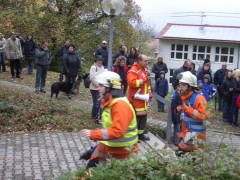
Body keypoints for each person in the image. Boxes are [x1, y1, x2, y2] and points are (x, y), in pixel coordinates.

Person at [80, 71, 138, 169]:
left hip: (122, 152)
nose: (98, 89)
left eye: (101, 86)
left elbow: (117, 131)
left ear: (110, 88)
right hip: (110, 148)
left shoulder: (120, 105)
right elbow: (109, 129)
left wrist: (94, 134)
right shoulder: (112, 102)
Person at [177, 71, 209, 153]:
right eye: (180, 84)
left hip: (196, 139)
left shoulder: (199, 98)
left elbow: (205, 116)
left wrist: (189, 110)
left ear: (190, 86)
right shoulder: (184, 97)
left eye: (183, 84)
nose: (180, 86)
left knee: (192, 162)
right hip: (186, 135)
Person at [127, 54, 152, 141]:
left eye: (147, 61)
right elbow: (132, 83)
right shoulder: (133, 71)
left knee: (143, 117)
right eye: (145, 61)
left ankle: (140, 134)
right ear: (139, 61)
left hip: (143, 99)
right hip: (135, 99)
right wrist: (142, 81)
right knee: (135, 118)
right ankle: (134, 135)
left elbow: (147, 83)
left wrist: (149, 93)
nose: (147, 63)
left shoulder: (144, 69)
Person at [89, 55, 105, 122]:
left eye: (101, 60)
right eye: (99, 60)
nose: (100, 61)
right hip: (94, 88)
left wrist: (103, 86)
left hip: (101, 88)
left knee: (100, 102)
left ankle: (98, 116)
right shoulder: (93, 67)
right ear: (96, 60)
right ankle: (94, 115)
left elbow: (104, 76)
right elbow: (92, 78)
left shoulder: (103, 68)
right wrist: (97, 86)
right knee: (97, 102)